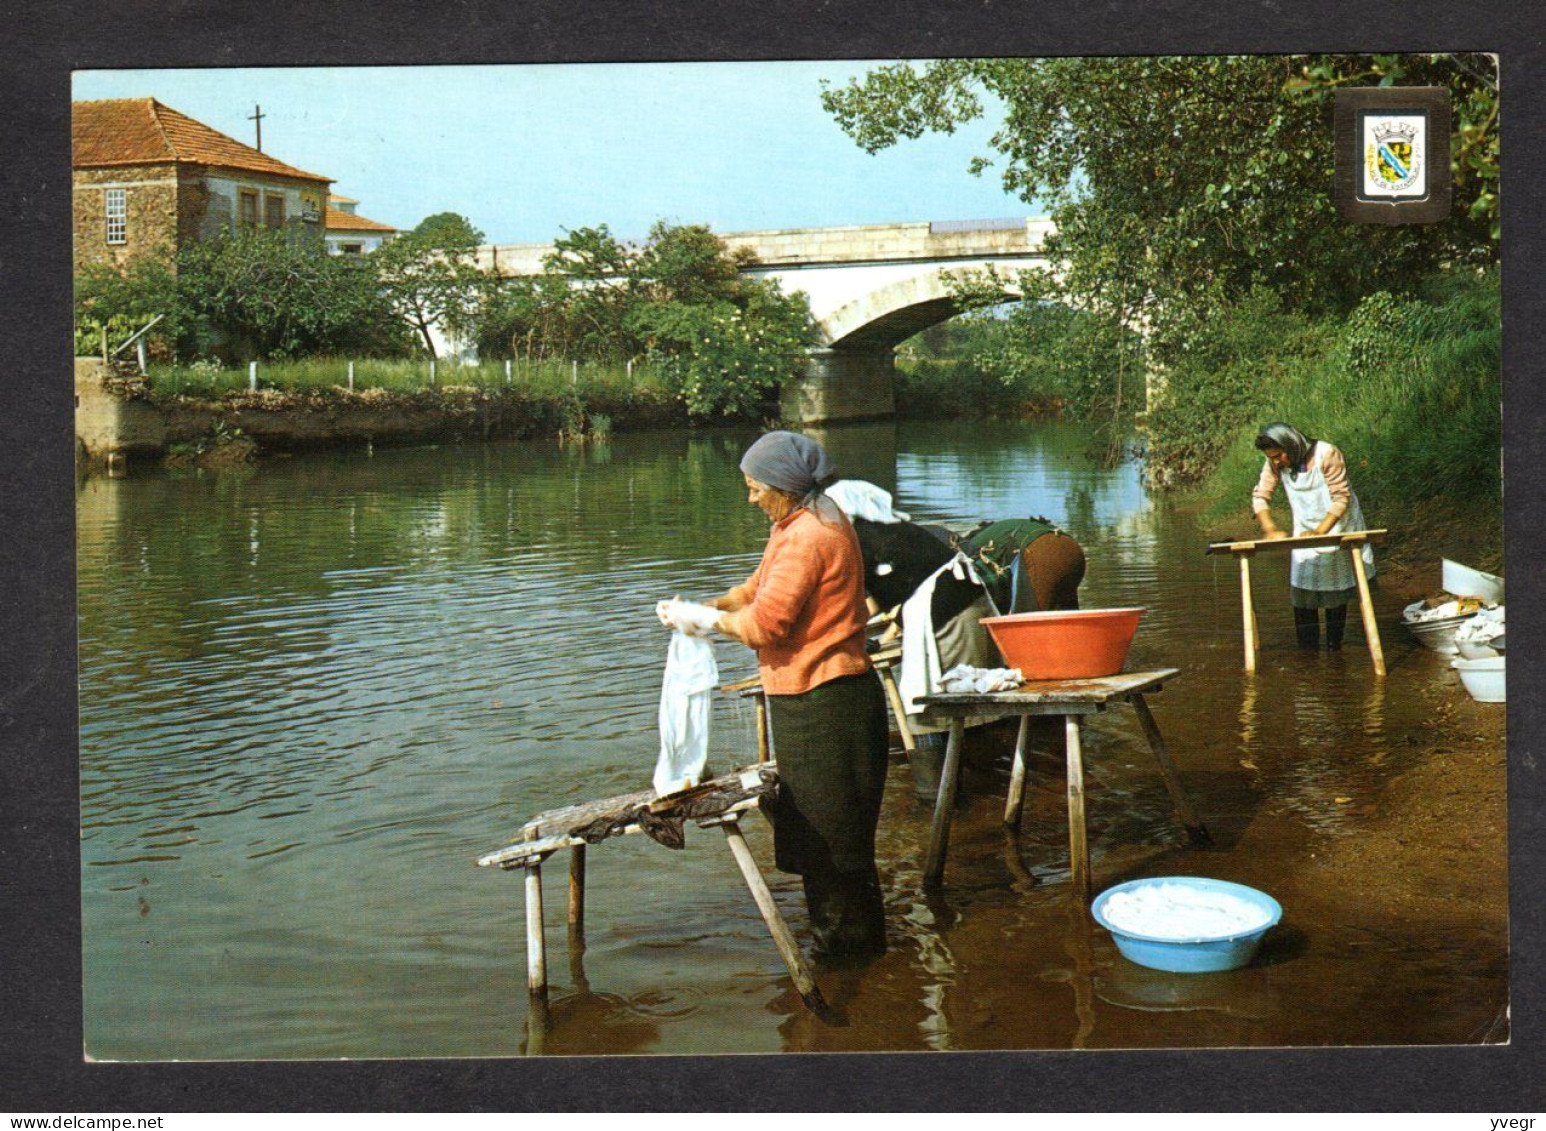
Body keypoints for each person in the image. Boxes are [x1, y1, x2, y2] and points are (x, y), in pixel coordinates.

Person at [666, 432, 890, 963]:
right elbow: (754, 590)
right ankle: (860, 957)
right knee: (823, 834)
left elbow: (765, 624)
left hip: (827, 703)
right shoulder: (801, 521)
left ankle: (849, 965)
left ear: (785, 487)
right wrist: (706, 607)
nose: (751, 498)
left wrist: (707, 622)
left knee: (833, 843)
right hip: (816, 700)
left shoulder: (812, 535)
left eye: (755, 488)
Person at [1251, 422, 1376, 650]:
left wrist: (1320, 532)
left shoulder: (1327, 454)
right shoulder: (1273, 463)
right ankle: (1308, 654)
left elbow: (1341, 498)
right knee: (1303, 593)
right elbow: (1260, 496)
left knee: (1334, 593)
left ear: (1291, 444)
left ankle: (1333, 647)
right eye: (1272, 457)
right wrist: (1269, 528)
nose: (1276, 461)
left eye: (1279, 455)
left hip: (1338, 525)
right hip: (1305, 529)